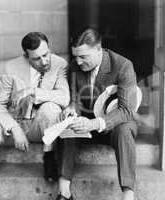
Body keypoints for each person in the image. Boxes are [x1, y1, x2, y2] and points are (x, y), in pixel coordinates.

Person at [0, 32, 70, 200]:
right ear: (26, 56)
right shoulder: (12, 67)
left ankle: (49, 157)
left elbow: (64, 97)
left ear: (49, 48)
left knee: (51, 108)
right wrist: (14, 128)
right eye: (37, 58)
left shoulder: (59, 64)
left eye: (46, 54)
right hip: (16, 120)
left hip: (43, 125)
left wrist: (31, 91)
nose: (44, 61)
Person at [57, 28, 138, 200]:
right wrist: (72, 109)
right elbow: (75, 99)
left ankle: (128, 195)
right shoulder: (73, 66)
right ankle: (64, 192)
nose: (78, 62)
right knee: (67, 124)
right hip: (86, 125)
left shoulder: (123, 65)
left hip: (113, 125)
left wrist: (94, 123)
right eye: (75, 56)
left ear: (99, 49)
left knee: (126, 128)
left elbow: (126, 110)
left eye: (83, 57)